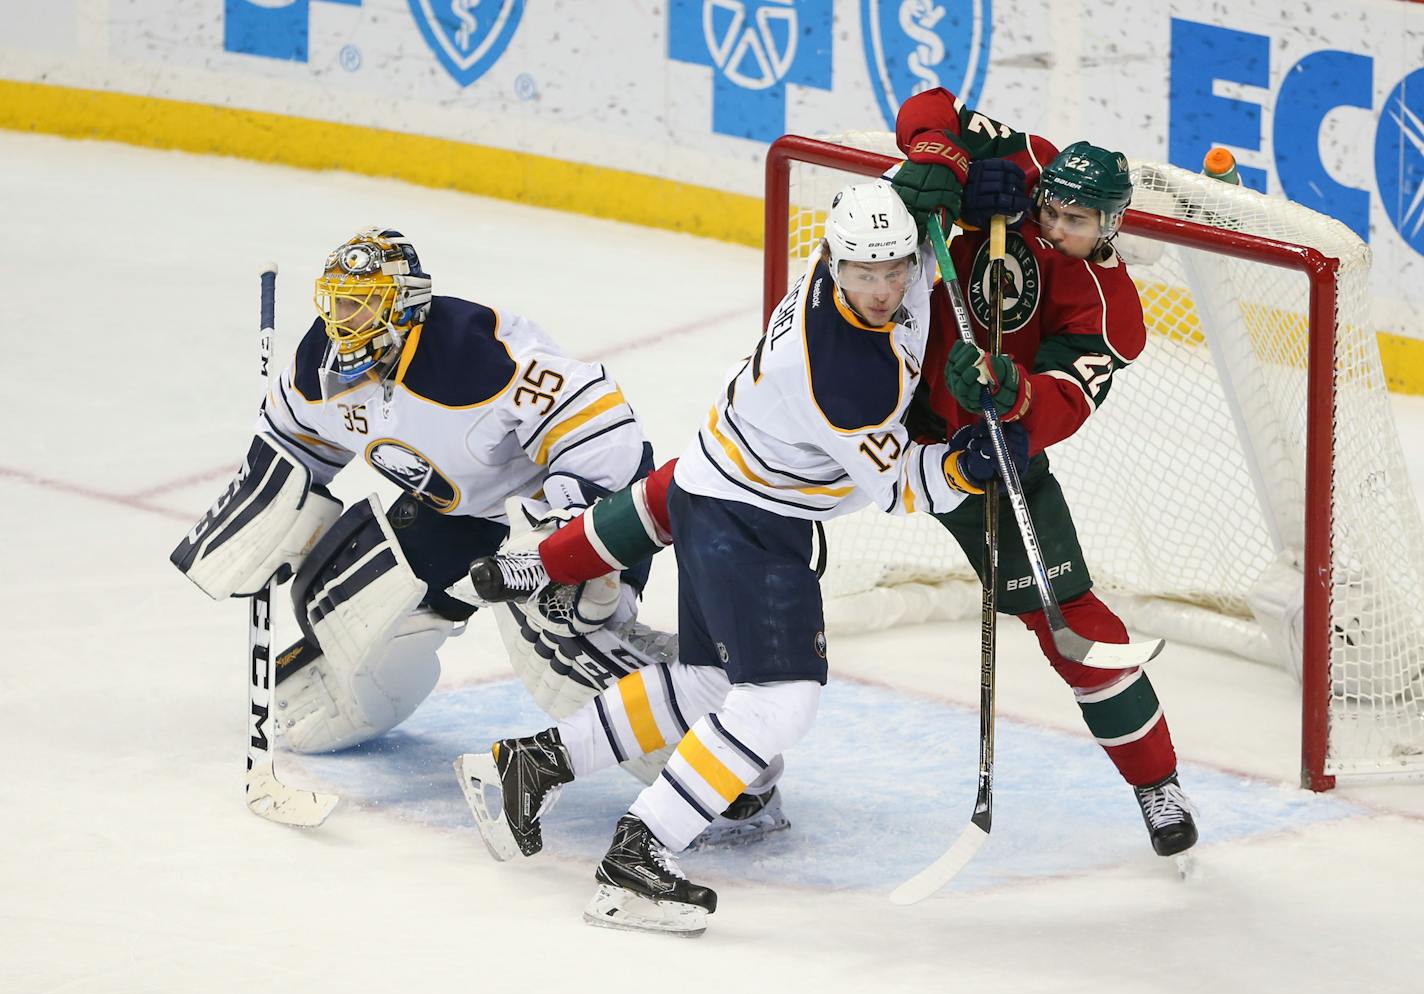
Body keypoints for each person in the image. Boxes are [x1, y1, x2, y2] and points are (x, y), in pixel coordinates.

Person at [468, 88, 1199, 873]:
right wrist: (941, 161)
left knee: (1069, 617)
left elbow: (1059, 403)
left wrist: (1009, 396)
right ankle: (547, 569)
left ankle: (1157, 783)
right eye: (1048, 212)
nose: (1053, 228)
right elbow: (930, 106)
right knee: (721, 488)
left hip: (978, 441)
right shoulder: (1023, 171)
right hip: (881, 422)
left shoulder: (1111, 314)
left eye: (1074, 223)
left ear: (1110, 226)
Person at [454, 181, 1031, 936]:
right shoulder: (843, 376)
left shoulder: (876, 253)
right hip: (748, 518)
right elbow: (896, 490)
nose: (886, 287)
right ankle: (639, 854)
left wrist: (953, 174)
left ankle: (528, 764)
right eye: (865, 274)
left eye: (894, 268)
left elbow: (911, 186)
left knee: (707, 683)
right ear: (834, 263)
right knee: (781, 698)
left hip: (713, 492)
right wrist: (963, 466)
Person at [169, 228, 652, 754]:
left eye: (363, 304)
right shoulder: (320, 363)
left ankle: (703, 750)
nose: (345, 321)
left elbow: (600, 428)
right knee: (350, 606)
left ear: (405, 306)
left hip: (560, 509)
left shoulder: (476, 355)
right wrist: (272, 504)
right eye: (340, 303)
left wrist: (561, 533)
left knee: (560, 636)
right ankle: (365, 701)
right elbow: (293, 437)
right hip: (459, 512)